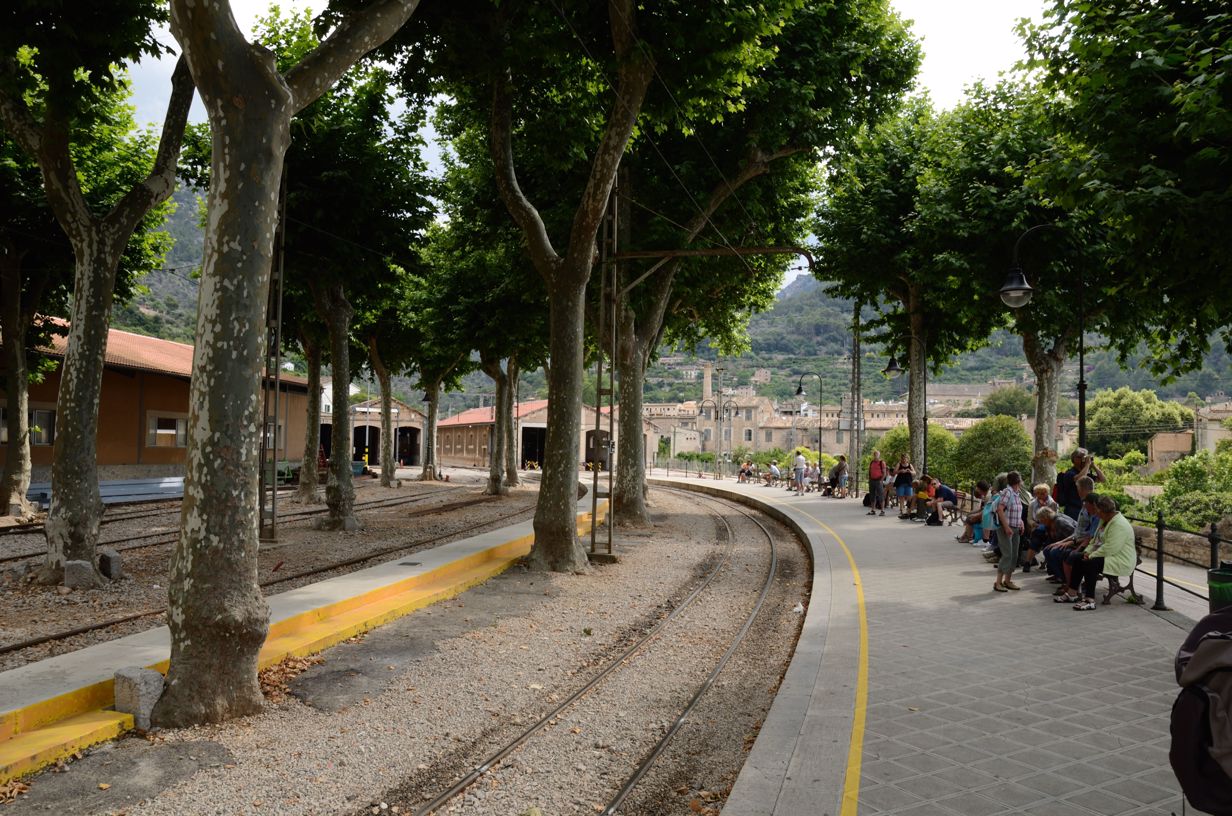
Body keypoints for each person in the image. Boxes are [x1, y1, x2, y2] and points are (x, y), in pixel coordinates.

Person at [1064, 495, 1136, 610]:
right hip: (1107, 555)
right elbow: (1095, 540)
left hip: (1120, 559)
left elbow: (1110, 548)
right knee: (1078, 558)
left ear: (1104, 511)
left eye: (1097, 510)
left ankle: (1089, 600)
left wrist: (1091, 555)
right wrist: (1087, 552)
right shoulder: (1104, 520)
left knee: (1090, 563)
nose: (1095, 513)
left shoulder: (1119, 524)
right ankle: (1071, 594)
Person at [993, 470, 1026, 593]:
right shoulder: (1008, 492)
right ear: (1019, 481)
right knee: (1007, 555)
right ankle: (998, 582)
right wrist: (1006, 527)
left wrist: (1021, 522)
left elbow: (1016, 510)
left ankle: (1008, 581)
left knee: (1014, 555)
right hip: (1006, 528)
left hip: (1016, 527)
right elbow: (1000, 509)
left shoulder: (1017, 493)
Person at [1055, 448, 1105, 520]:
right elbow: (1080, 479)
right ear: (1073, 459)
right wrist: (1087, 465)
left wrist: (1093, 465)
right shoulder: (1069, 473)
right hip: (1073, 509)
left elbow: (1103, 479)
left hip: (1085, 507)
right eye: (1080, 457)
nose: (1083, 459)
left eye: (1084, 457)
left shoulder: (1086, 472)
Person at [1023, 483, 1060, 571]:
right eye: (1038, 493)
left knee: (1047, 540)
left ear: (1047, 493)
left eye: (1042, 493)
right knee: (1035, 539)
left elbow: (1055, 518)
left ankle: (1047, 564)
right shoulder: (1032, 504)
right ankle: (1027, 562)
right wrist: (1033, 524)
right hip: (1036, 526)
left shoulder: (1052, 503)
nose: (1040, 495)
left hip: (1049, 527)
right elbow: (1029, 518)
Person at [868, 450, 887, 515]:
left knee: (880, 495)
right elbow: (870, 471)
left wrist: (881, 480)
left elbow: (884, 473)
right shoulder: (872, 462)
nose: (875, 456)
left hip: (879, 480)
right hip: (872, 480)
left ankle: (882, 511)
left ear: (879, 455)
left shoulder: (882, 462)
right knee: (872, 495)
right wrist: (869, 479)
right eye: (874, 454)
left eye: (877, 455)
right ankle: (873, 510)